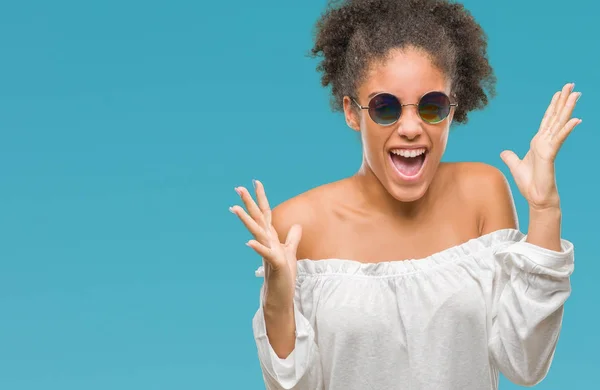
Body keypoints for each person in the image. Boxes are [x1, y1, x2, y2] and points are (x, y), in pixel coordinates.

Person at [229, 0, 581, 388]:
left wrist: (545, 210)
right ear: (352, 112)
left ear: (453, 109)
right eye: (385, 108)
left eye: (432, 107)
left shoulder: (483, 192)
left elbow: (525, 364)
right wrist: (277, 298)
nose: (411, 127)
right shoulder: (296, 226)